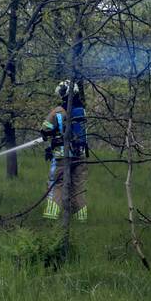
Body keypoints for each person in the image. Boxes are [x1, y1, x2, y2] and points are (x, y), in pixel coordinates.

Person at [41, 79, 89, 221]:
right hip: (80, 156)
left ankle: (50, 218)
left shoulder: (58, 112)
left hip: (62, 157)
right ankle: (82, 220)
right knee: (78, 188)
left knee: (56, 185)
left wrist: (52, 134)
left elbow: (45, 129)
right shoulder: (81, 111)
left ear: (63, 94)